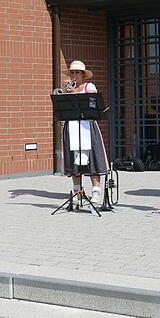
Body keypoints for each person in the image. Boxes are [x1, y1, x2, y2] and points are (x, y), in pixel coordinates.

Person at [61, 60, 109, 208]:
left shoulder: (90, 86)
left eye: (77, 73)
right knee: (75, 159)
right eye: (72, 73)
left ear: (83, 75)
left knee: (92, 157)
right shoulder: (68, 89)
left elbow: (92, 101)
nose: (74, 75)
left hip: (87, 126)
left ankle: (96, 191)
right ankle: (77, 191)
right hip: (73, 126)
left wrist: (73, 92)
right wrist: (64, 94)